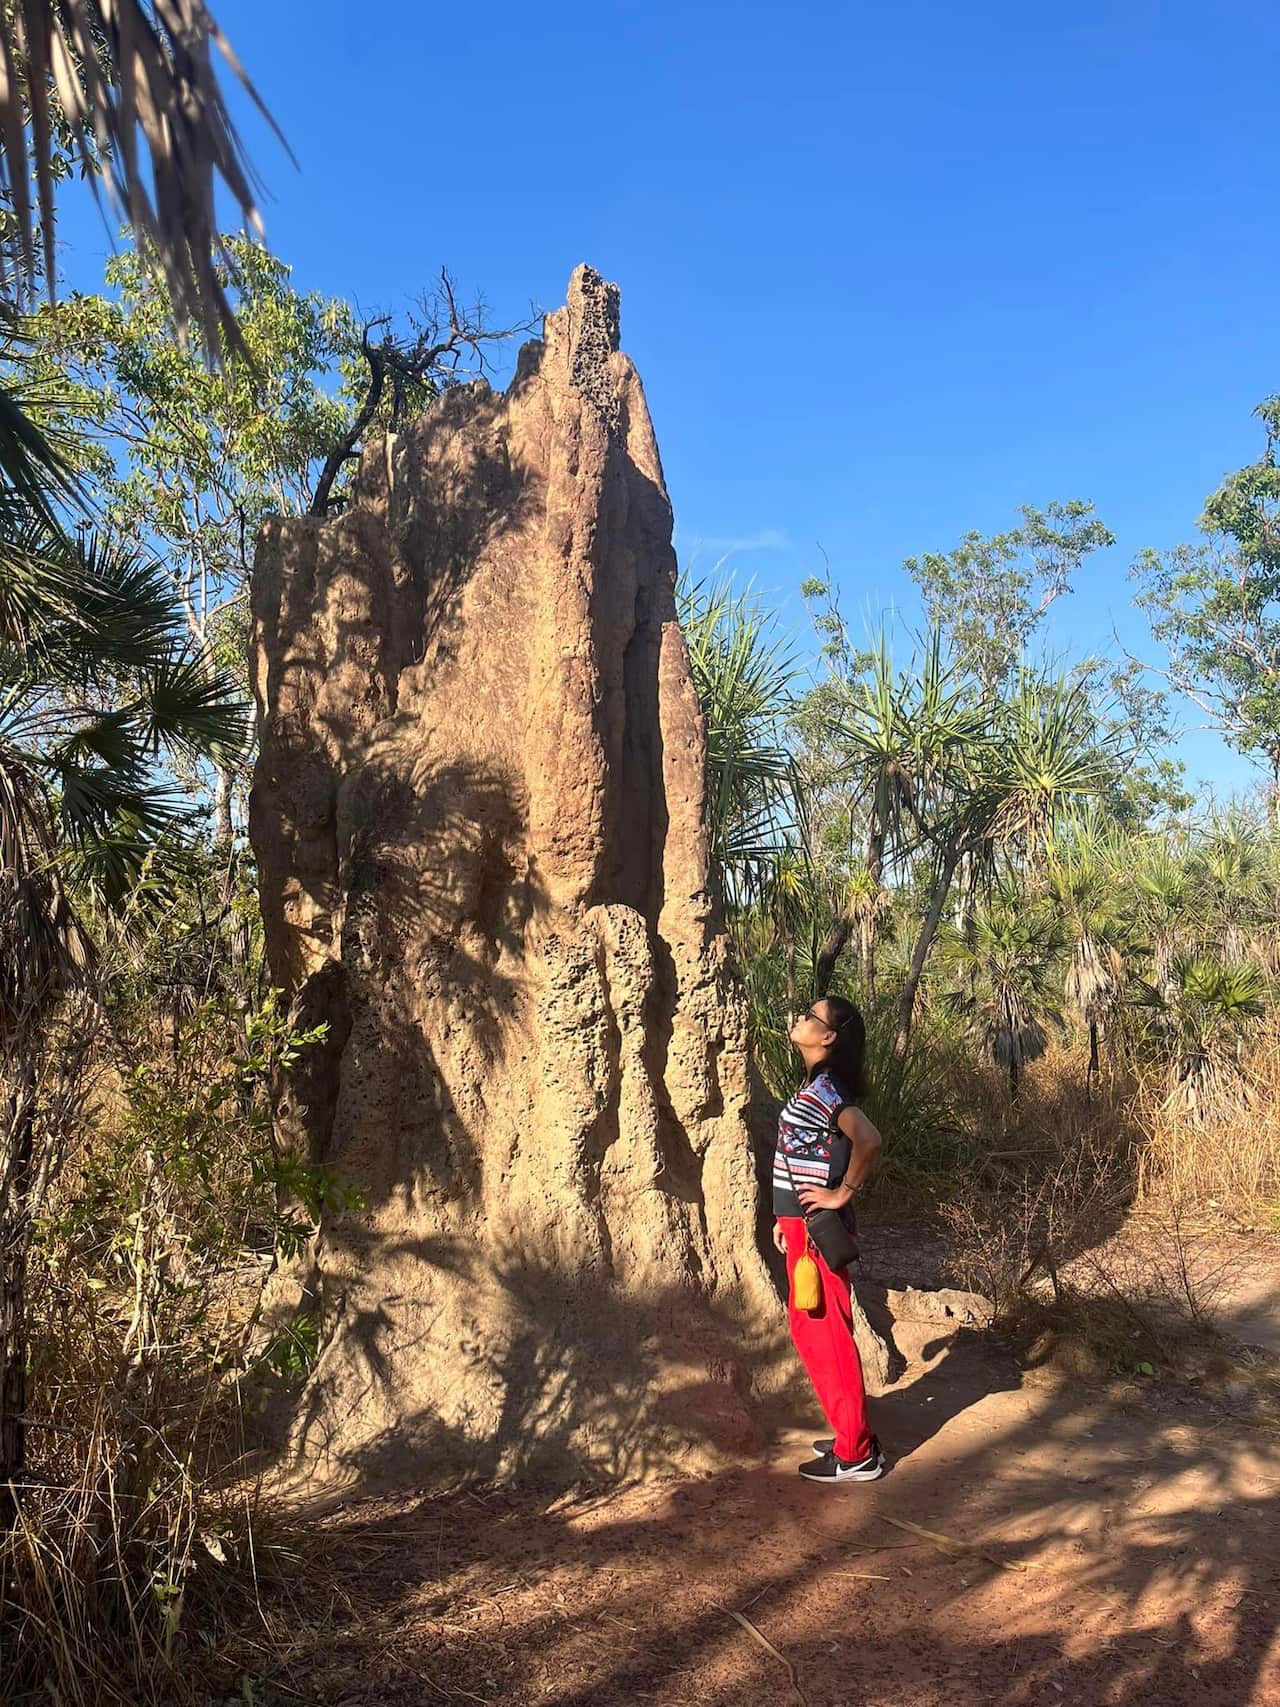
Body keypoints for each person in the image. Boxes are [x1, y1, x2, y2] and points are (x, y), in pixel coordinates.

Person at [772, 995, 887, 1484]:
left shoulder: (827, 1089)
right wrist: (786, 1213)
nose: (799, 1019)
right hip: (802, 1227)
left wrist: (842, 1195)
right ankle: (850, 1434)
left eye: (810, 1017)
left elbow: (869, 1139)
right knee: (813, 1326)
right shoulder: (816, 1086)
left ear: (829, 1037)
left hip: (818, 1233)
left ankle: (856, 1454)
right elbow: (805, 1153)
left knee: (824, 1331)